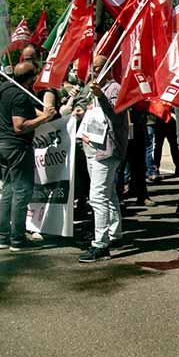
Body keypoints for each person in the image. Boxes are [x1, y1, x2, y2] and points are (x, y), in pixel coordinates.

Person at [0, 62, 56, 251]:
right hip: (17, 147)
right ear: (32, 78)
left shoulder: (4, 90)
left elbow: (27, 111)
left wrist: (44, 114)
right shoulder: (19, 94)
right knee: (21, 193)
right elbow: (19, 126)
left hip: (3, 145)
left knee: (8, 191)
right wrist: (44, 119)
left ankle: (3, 237)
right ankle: (18, 239)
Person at [76, 54, 129, 263]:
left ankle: (100, 245)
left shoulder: (114, 89)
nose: (94, 72)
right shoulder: (99, 90)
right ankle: (115, 235)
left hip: (106, 150)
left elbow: (116, 113)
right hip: (95, 147)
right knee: (108, 195)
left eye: (98, 68)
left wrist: (100, 96)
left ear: (108, 69)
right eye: (93, 69)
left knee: (97, 197)